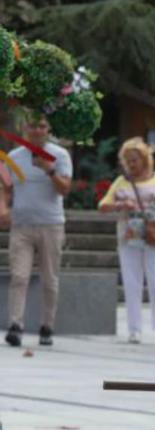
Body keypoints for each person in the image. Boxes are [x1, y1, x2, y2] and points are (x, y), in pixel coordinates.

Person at [98, 138, 155, 345]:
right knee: (132, 283)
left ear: (145, 159)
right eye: (127, 160)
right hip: (129, 236)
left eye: (134, 160)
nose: (131, 164)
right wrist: (122, 204)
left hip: (153, 234)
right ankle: (134, 329)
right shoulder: (121, 182)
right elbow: (103, 205)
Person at [4, 116, 72, 348]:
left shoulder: (60, 155)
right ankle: (15, 325)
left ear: (48, 129)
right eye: (32, 126)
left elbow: (65, 189)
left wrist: (49, 170)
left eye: (41, 126)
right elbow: (5, 187)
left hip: (50, 225)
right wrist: (3, 208)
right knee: (19, 276)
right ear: (25, 128)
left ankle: (47, 326)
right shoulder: (14, 157)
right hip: (22, 225)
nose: (37, 131)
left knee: (49, 279)